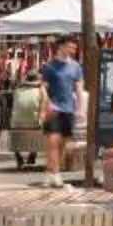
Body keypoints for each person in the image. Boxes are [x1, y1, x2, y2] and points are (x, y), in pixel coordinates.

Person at [40, 39, 84, 177]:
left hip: (68, 108)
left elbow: (79, 88)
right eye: (70, 47)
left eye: (74, 48)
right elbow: (42, 86)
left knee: (62, 143)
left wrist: (80, 108)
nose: (73, 50)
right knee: (53, 140)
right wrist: (47, 103)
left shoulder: (76, 67)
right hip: (53, 108)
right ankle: (56, 173)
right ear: (61, 47)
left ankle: (50, 171)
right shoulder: (50, 66)